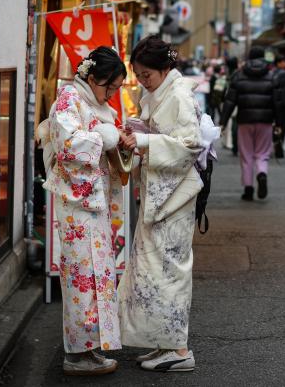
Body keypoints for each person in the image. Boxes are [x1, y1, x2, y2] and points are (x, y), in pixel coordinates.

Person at [117, 36, 206, 372]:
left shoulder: (178, 94)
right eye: (138, 75)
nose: (142, 81)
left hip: (175, 197)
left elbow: (189, 144)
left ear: (164, 68)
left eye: (146, 75)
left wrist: (141, 139)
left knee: (170, 270)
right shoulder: (161, 92)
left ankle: (179, 349)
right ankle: (162, 342)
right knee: (155, 269)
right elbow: (162, 134)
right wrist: (139, 131)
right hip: (163, 193)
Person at [37, 46, 127, 375]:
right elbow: (68, 146)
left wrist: (114, 137)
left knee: (96, 274)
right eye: (110, 86)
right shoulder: (69, 98)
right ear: (92, 77)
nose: (113, 93)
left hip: (92, 202)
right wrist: (103, 137)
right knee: (81, 277)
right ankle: (76, 354)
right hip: (78, 204)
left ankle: (91, 348)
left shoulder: (89, 100)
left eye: (117, 87)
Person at [220, 46, 285, 201]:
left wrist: (223, 122)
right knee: (263, 153)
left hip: (244, 120)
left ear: (249, 58)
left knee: (246, 155)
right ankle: (262, 173)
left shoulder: (238, 76)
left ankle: (248, 189)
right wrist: (279, 123)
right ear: (264, 57)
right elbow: (278, 102)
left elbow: (230, 101)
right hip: (265, 121)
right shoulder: (272, 76)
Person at [273, 54, 285, 141]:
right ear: (278, 63)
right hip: (283, 102)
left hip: (273, 102)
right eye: (284, 62)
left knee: (274, 124)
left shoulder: (271, 73)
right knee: (283, 124)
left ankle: (274, 141)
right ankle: (279, 142)